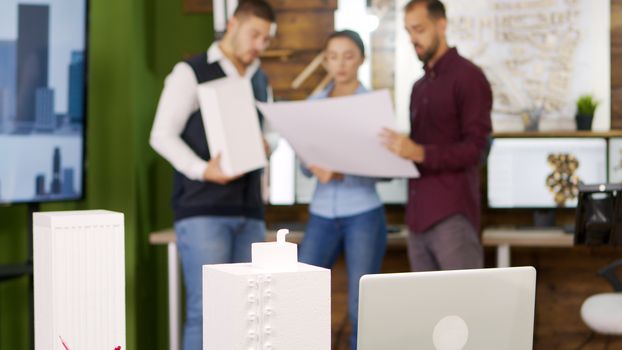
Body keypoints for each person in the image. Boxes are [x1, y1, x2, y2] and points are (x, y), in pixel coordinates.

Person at [149, 1, 276, 349]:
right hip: (203, 212)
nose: (259, 46)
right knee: (206, 313)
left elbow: (270, 132)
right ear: (233, 24)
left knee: (249, 315)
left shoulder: (259, 78)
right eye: (255, 35)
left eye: (266, 39)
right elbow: (161, 135)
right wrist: (204, 170)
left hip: (249, 213)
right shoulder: (190, 71)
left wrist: (267, 145)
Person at [380, 0, 492, 272]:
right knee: (428, 311)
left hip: (452, 214)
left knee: (465, 307)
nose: (412, 39)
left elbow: (476, 150)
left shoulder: (469, 77)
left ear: (441, 25)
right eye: (408, 31)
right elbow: (415, 151)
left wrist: (419, 152)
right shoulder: (418, 87)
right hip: (417, 217)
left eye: (418, 29)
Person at [297, 30, 388, 350]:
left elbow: (387, 170)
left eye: (348, 56)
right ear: (325, 60)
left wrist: (347, 164)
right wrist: (314, 165)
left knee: (361, 305)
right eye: (333, 56)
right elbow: (302, 163)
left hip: (363, 212)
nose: (340, 64)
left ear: (361, 59)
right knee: (300, 294)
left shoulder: (372, 105)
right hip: (321, 214)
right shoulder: (313, 104)